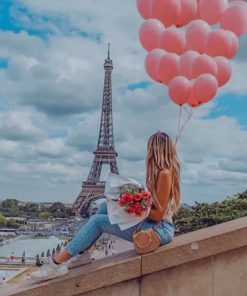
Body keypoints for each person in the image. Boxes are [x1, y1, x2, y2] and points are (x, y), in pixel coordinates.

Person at [31, 131, 180, 281]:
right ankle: (82, 255)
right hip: (152, 225)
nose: (148, 152)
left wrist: (133, 205)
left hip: (159, 230)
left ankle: (56, 264)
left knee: (97, 221)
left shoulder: (165, 173)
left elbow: (158, 215)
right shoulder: (159, 173)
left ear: (156, 149)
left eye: (150, 148)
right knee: (104, 206)